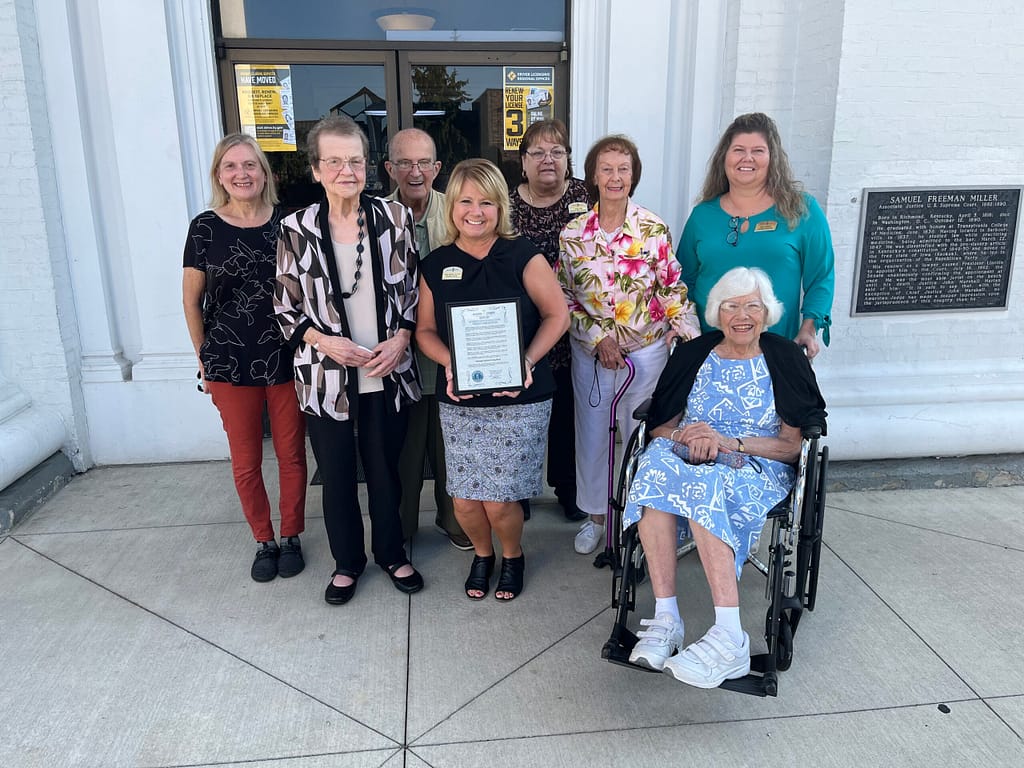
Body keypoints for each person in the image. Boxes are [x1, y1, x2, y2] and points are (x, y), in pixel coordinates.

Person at [622, 267, 826, 689]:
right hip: (685, 454)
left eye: (752, 305)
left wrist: (730, 443)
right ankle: (667, 619)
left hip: (754, 463)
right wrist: (685, 435)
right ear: (717, 312)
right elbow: (660, 425)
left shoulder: (784, 358)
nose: (742, 315)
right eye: (731, 305)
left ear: (767, 312)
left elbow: (792, 446)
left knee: (705, 484)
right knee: (653, 471)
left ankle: (730, 637)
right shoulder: (694, 353)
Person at [275, 115, 422, 605]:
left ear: (367, 166)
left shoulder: (395, 219)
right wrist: (324, 341)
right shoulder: (295, 229)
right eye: (334, 161)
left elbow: (411, 296)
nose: (346, 170)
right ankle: (347, 562)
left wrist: (401, 337)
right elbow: (284, 307)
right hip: (326, 378)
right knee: (336, 475)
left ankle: (391, 552)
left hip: (386, 369)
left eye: (354, 160)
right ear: (316, 169)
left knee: (386, 470)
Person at [416, 159, 569, 601]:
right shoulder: (436, 264)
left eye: (486, 201)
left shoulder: (524, 255)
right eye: (465, 200)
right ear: (453, 208)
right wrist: (451, 363)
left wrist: (526, 359)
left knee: (500, 500)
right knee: (464, 500)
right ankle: (482, 555)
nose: (475, 211)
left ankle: (512, 554)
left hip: (520, 394)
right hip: (461, 396)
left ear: (500, 206)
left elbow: (557, 315)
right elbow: (424, 331)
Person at [558, 134, 701, 556]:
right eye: (607, 169)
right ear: (593, 176)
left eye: (623, 169)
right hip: (594, 354)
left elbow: (673, 289)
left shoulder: (652, 228)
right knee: (593, 435)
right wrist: (598, 338)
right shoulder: (574, 234)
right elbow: (563, 296)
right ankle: (596, 519)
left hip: (646, 352)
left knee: (638, 436)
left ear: (633, 175)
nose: (615, 177)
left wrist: (689, 339)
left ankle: (635, 520)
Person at [182, 133, 308, 584]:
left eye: (250, 165)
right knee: (246, 459)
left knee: (293, 454)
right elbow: (192, 301)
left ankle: (291, 534)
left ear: (264, 172)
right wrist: (203, 360)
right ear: (220, 175)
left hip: (285, 358)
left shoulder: (289, 225)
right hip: (228, 363)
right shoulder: (204, 228)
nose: (242, 174)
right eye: (231, 166)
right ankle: (264, 540)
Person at [678, 112, 835, 358]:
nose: (747, 158)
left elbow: (821, 276)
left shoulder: (801, 210)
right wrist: (681, 326)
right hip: (709, 349)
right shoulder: (702, 215)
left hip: (778, 347)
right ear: (725, 158)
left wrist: (809, 327)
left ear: (772, 159)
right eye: (738, 150)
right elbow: (682, 280)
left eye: (758, 151)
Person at [384, 128, 471, 551]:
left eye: (423, 163)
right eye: (405, 162)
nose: (415, 172)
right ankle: (401, 526)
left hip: (446, 346)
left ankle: (453, 518)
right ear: (390, 169)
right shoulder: (376, 217)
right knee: (403, 446)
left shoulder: (456, 212)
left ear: (437, 168)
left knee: (449, 442)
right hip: (394, 352)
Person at [510, 119, 591, 523]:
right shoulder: (507, 205)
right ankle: (519, 491)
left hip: (577, 330)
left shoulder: (586, 197)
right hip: (525, 331)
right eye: (538, 152)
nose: (548, 160)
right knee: (523, 413)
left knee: (567, 415)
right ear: (523, 161)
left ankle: (568, 488)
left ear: (568, 160)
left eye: (557, 152)